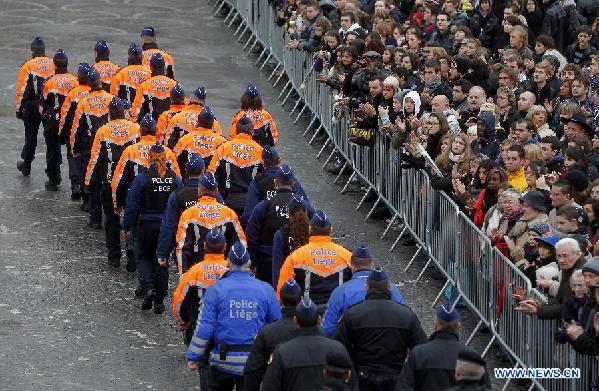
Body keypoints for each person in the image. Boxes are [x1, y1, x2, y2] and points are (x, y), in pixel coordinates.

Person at [186, 241, 281, 391]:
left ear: (228, 263)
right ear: (249, 263)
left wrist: (194, 355)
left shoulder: (215, 289)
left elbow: (205, 326)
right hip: (253, 361)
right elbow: (276, 326)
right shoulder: (266, 290)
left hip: (222, 358)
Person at [335, 268, 426, 390]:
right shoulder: (406, 315)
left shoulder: (352, 314)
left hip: (362, 379)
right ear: (389, 288)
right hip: (396, 379)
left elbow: (340, 349)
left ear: (367, 288)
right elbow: (421, 349)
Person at [122, 143, 182, 313]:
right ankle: (160, 300)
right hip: (167, 227)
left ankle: (148, 287)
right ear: (165, 157)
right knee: (162, 261)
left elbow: (132, 205)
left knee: (144, 257)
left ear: (149, 158)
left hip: (146, 225)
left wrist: (126, 226)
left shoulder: (142, 178)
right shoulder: (175, 179)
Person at [85, 98, 140, 267]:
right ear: (124, 111)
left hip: (110, 182)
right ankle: (131, 245)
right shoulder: (136, 128)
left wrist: (89, 182)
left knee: (111, 219)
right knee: (134, 216)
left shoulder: (103, 131)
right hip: (133, 182)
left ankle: (114, 256)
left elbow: (95, 159)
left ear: (109, 113)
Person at [261, 296, 356, 391]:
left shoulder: (282, 352)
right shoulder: (338, 349)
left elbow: (270, 386)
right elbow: (352, 385)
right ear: (319, 320)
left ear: (295, 321)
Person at [161, 173, 246, 274]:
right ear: (216, 191)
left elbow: (182, 247)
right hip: (223, 270)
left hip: (196, 267)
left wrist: (183, 274)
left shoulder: (189, 213)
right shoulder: (229, 213)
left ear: (199, 190)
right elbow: (240, 244)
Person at [395, 305, 491, 390]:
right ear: (458, 327)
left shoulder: (419, 354)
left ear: (435, 325)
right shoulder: (472, 358)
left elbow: (404, 386)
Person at [323, 245, 405, 336]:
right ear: (371, 264)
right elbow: (404, 316)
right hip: (390, 343)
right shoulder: (391, 288)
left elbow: (329, 328)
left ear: (352, 267)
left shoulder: (341, 291)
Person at [276, 210, 352, 308]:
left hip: (307, 317)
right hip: (339, 314)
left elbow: (282, 293)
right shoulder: (347, 256)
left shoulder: (295, 258)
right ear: (331, 230)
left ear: (310, 230)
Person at [71, 68, 114, 223]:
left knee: (93, 179)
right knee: (109, 179)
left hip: (89, 146)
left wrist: (74, 149)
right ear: (100, 81)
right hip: (109, 144)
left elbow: (76, 128)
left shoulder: (83, 103)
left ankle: (95, 216)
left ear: (88, 84)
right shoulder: (111, 99)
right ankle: (110, 213)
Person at [244, 279, 303, 391]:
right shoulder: (317, 333)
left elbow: (253, 370)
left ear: (280, 302)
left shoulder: (267, 332)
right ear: (301, 300)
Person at [172, 228, 229, 344]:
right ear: (225, 247)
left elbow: (180, 299)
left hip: (200, 325)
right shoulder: (233, 271)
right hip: (228, 326)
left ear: (205, 246)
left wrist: (182, 319)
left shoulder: (194, 271)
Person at [246, 165, 300, 284]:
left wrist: (253, 262)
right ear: (294, 183)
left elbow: (251, 235)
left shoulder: (264, 205)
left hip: (267, 262)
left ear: (275, 183)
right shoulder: (303, 205)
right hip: (297, 262)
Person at [208, 114, 264, 216]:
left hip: (229, 199)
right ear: (252, 131)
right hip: (251, 200)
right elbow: (265, 178)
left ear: (236, 130)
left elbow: (211, 174)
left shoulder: (224, 148)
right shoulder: (260, 151)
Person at [515, 238, 586, 319]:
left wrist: (538, 310)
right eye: (559, 256)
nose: (561, 260)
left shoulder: (581, 273)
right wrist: (540, 305)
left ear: (577, 254)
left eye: (565, 255)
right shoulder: (567, 268)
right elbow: (559, 299)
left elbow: (569, 307)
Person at [15, 37, 55, 177]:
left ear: (32, 50)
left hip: (33, 106)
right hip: (49, 106)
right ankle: (53, 173)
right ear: (44, 50)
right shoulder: (53, 63)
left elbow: (22, 90)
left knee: (30, 137)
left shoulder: (28, 66)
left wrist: (19, 110)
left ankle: (26, 165)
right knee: (51, 140)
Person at [240, 147, 309, 227]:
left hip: (266, 231)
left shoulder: (258, 181)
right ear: (279, 160)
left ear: (262, 162)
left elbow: (249, 214)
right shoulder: (291, 179)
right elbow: (306, 206)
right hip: (291, 231)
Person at [40, 49, 78, 191]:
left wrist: (47, 118)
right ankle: (76, 184)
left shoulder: (49, 83)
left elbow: (42, 107)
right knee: (74, 150)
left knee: (52, 150)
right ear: (67, 64)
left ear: (54, 66)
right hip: (71, 120)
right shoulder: (75, 80)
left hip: (54, 119)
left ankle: (54, 179)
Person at [58, 62, 92, 200]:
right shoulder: (94, 93)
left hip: (74, 131)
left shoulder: (72, 93)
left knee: (72, 157)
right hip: (91, 133)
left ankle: (75, 184)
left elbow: (64, 115)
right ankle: (88, 189)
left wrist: (62, 133)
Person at [271, 194, 313, 285]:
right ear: (306, 211)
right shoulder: (314, 233)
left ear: (289, 212)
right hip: (311, 285)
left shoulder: (281, 234)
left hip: (290, 287)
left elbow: (277, 268)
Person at [173, 106, 227, 170]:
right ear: (213, 124)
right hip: (213, 178)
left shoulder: (185, 139)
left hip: (189, 177)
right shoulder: (222, 142)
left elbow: (174, 159)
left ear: (198, 122)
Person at [130, 53, 176, 122]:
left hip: (150, 126)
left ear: (151, 67)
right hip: (169, 124)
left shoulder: (144, 86)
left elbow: (136, 111)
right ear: (164, 66)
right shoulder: (174, 84)